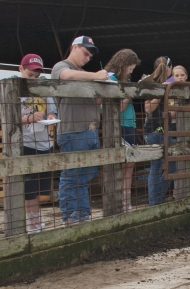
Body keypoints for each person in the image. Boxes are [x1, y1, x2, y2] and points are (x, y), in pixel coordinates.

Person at [52, 36, 109, 226]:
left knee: (84, 175)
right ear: (74, 47)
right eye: (85, 53)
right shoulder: (62, 66)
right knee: (71, 175)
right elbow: (65, 76)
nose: (87, 57)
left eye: (90, 56)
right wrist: (96, 76)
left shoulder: (82, 73)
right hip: (73, 130)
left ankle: (82, 215)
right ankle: (70, 216)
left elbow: (92, 102)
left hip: (89, 129)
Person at [18, 54, 56, 233]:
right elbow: (8, 119)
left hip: (44, 142)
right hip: (26, 143)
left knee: (41, 186)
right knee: (29, 188)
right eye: (30, 75)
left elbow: (51, 109)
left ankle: (36, 220)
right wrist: (28, 119)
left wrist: (50, 116)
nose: (34, 80)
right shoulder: (13, 90)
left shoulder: (43, 89)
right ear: (21, 69)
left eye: (37, 76)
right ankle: (32, 224)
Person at [105, 49, 141, 212]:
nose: (131, 71)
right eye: (130, 67)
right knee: (121, 165)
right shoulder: (111, 80)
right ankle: (118, 202)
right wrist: (130, 94)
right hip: (120, 126)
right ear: (123, 64)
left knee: (130, 164)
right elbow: (116, 108)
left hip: (130, 125)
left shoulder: (124, 80)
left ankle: (126, 202)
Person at [142, 56, 173, 205]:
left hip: (163, 131)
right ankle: (155, 202)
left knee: (170, 165)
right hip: (154, 131)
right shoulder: (152, 84)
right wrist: (162, 92)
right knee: (156, 167)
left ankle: (158, 199)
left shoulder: (167, 85)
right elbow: (148, 108)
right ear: (169, 68)